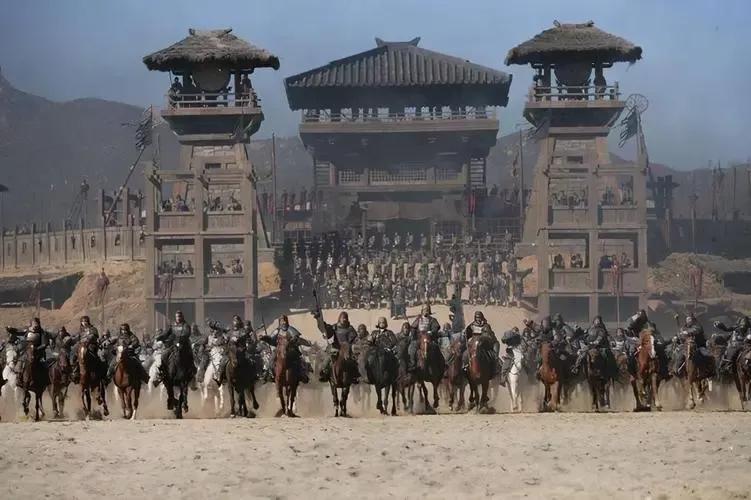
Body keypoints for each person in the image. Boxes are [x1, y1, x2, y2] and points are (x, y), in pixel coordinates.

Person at [261, 315, 311, 383]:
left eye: (284, 320)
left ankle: (302, 374)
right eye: (282, 321)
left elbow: (296, 337)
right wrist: (265, 338)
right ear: (280, 322)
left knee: (297, 359)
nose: (284, 322)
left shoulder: (290, 329)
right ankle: (269, 373)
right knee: (272, 359)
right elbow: (271, 340)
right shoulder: (277, 331)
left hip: (291, 349)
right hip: (279, 349)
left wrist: (293, 340)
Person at [314, 311, 358, 383]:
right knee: (328, 359)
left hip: (346, 349)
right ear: (339, 318)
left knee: (353, 361)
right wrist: (319, 320)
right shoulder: (335, 327)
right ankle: (325, 373)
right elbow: (325, 329)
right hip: (336, 348)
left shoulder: (350, 328)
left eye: (345, 318)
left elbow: (354, 338)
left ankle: (354, 376)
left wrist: (350, 344)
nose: (344, 319)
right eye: (343, 318)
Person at [154, 310, 195, 386]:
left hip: (184, 345)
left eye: (179, 316)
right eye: (177, 317)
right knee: (164, 354)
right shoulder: (172, 325)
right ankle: (162, 374)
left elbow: (186, 334)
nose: (178, 318)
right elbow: (167, 333)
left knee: (190, 357)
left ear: (182, 317)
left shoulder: (186, 325)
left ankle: (192, 376)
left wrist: (179, 339)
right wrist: (159, 338)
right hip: (174, 345)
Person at [407, 304, 441, 372]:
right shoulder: (418, 319)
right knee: (412, 347)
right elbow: (413, 328)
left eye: (427, 310)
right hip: (419, 338)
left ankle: (438, 365)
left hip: (429, 338)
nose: (426, 311)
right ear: (422, 311)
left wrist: (431, 332)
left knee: (436, 348)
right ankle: (412, 364)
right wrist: (413, 334)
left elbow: (435, 327)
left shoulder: (432, 320)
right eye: (425, 310)